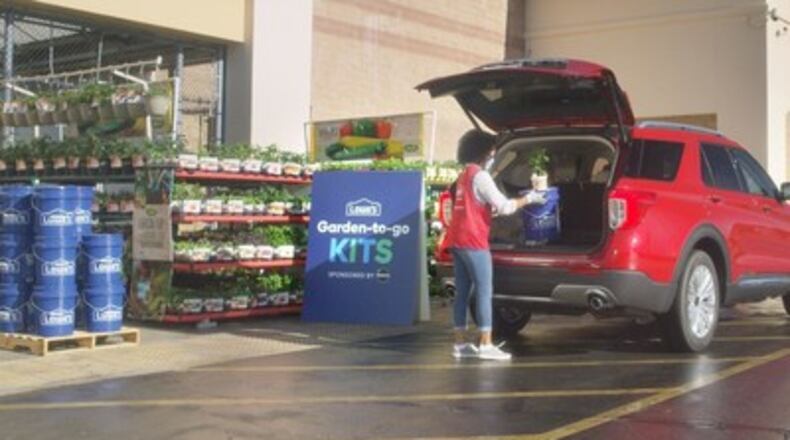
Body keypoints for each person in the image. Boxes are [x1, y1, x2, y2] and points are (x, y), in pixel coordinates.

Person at [447, 130, 545, 361]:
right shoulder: (481, 176)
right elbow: (506, 207)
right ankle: (486, 344)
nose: (493, 154)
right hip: (474, 241)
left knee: (462, 293)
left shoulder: (463, 175)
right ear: (484, 152)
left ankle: (460, 343)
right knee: (484, 291)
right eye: (492, 151)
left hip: (457, 240)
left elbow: (475, 205)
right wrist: (531, 198)